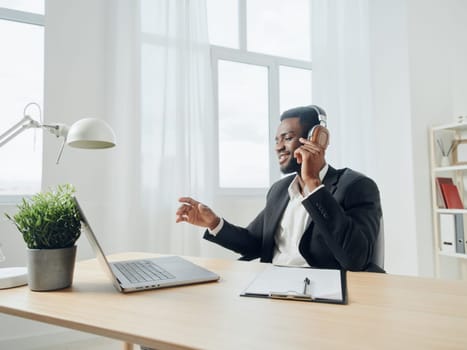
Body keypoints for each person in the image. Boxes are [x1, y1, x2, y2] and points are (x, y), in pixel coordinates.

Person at [175, 105, 384, 272]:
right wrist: (214, 223)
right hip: (274, 287)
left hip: (322, 291)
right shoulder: (280, 190)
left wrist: (313, 184)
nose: (278, 147)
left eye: (287, 138)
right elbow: (255, 243)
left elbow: (355, 259)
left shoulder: (356, 187)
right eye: (277, 140)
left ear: (317, 138)